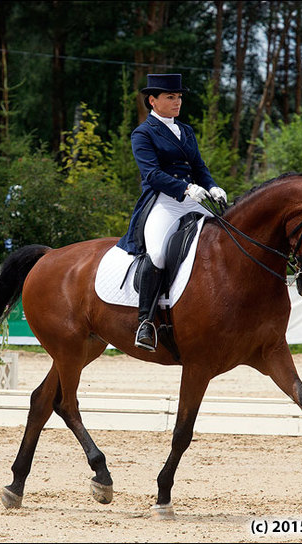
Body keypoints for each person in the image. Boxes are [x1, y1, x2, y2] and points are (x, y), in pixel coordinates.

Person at [116, 73, 228, 351]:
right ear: (152, 101)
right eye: (170, 97)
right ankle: (146, 322)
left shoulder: (186, 130)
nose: (177, 102)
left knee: (224, 241)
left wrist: (213, 187)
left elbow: (200, 168)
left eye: (179, 97)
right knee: (157, 253)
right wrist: (185, 188)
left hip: (194, 198)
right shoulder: (143, 133)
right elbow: (152, 174)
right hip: (163, 202)